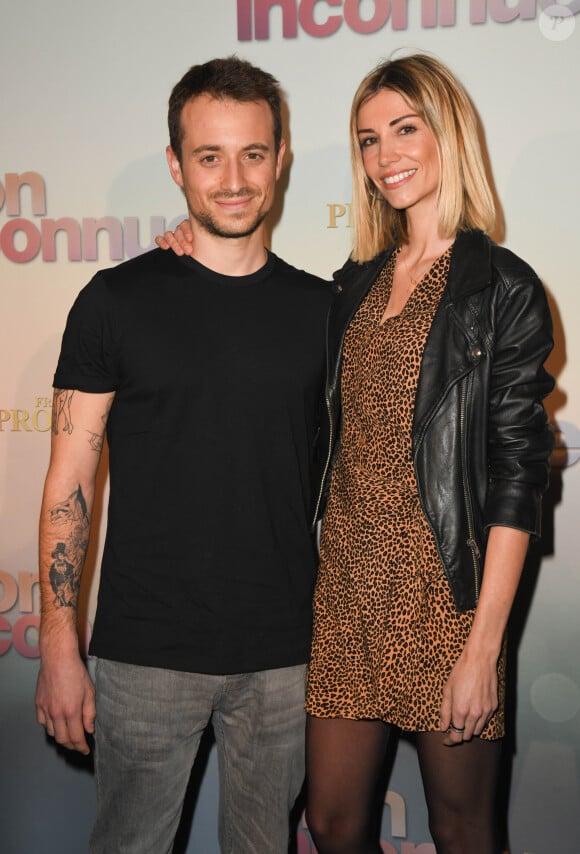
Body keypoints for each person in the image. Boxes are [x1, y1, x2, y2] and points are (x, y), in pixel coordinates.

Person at [34, 56, 331, 854]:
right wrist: (60, 645)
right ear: (176, 165)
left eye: (253, 154)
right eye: (209, 156)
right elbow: (69, 483)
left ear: (282, 159)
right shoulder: (114, 301)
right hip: (145, 653)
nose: (233, 179)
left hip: (286, 655)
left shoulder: (325, 311)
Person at [303, 54, 554, 854]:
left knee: (462, 830)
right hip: (345, 586)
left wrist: (483, 650)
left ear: (449, 133)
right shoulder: (355, 283)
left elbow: (518, 477)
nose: (385, 156)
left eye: (405, 129)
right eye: (369, 139)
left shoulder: (503, 288)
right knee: (332, 824)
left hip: (446, 600)